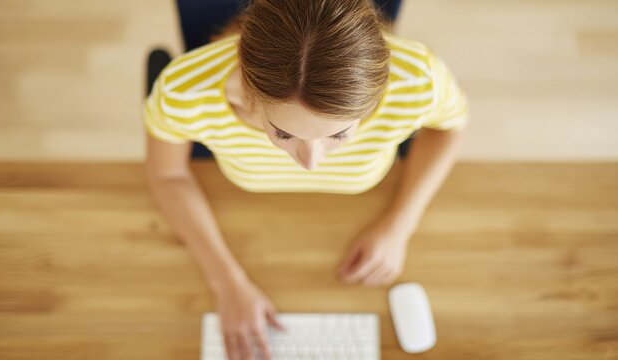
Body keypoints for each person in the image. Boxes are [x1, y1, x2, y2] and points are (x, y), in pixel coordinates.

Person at [142, 1, 469, 359]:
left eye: (339, 134)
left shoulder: (417, 78)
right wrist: (226, 282)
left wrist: (400, 224)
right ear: (247, 88)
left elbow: (449, 129)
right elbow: (167, 173)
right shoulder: (186, 91)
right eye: (283, 134)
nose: (310, 163)